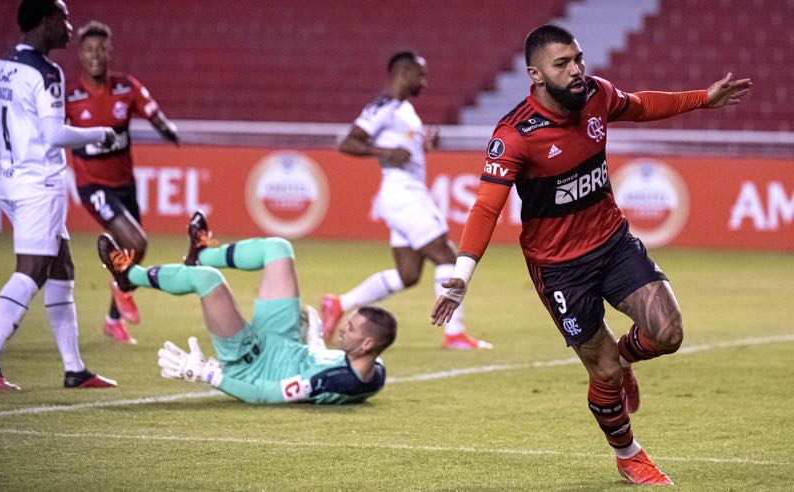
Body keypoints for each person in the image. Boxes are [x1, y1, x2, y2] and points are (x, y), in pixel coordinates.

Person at [431, 25, 751, 485]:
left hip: (613, 242)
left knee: (668, 332)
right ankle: (628, 454)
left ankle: (623, 361)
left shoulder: (597, 96)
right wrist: (463, 274)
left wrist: (704, 97)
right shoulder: (515, 134)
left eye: (578, 59)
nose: (577, 69)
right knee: (599, 370)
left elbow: (641, 105)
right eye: (563, 64)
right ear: (535, 75)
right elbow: (486, 206)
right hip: (560, 268)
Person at [98, 211, 397, 404]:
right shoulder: (376, 371)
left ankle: (129, 277)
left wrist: (209, 375)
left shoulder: (333, 381)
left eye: (351, 327)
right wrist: (315, 344)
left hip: (250, 360)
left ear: (368, 343)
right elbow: (347, 366)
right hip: (284, 340)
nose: (342, 326)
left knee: (208, 282)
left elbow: (266, 395)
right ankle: (202, 254)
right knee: (279, 249)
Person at [323, 51, 491, 350]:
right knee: (447, 256)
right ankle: (455, 333)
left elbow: (401, 148)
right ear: (403, 72)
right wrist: (386, 154)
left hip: (401, 194)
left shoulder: (404, 109)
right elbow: (348, 142)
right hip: (404, 194)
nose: (424, 82)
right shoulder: (384, 106)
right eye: (420, 74)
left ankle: (339, 303)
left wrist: (423, 146)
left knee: (408, 274)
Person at [0, 0, 118, 390]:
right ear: (46, 22)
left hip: (9, 181)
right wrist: (101, 133)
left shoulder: (1, 67)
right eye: (63, 18)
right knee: (31, 271)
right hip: (38, 185)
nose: (69, 26)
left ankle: (74, 368)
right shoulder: (46, 72)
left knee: (62, 268)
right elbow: (54, 135)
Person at [66, 20, 180, 345]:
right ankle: (123, 292)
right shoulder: (70, 97)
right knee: (138, 243)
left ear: (110, 51)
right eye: (89, 49)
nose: (96, 55)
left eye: (102, 48)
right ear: (80, 54)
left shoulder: (126, 88)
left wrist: (168, 130)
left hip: (125, 185)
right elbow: (50, 131)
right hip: (93, 186)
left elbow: (155, 113)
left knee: (131, 252)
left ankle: (112, 320)